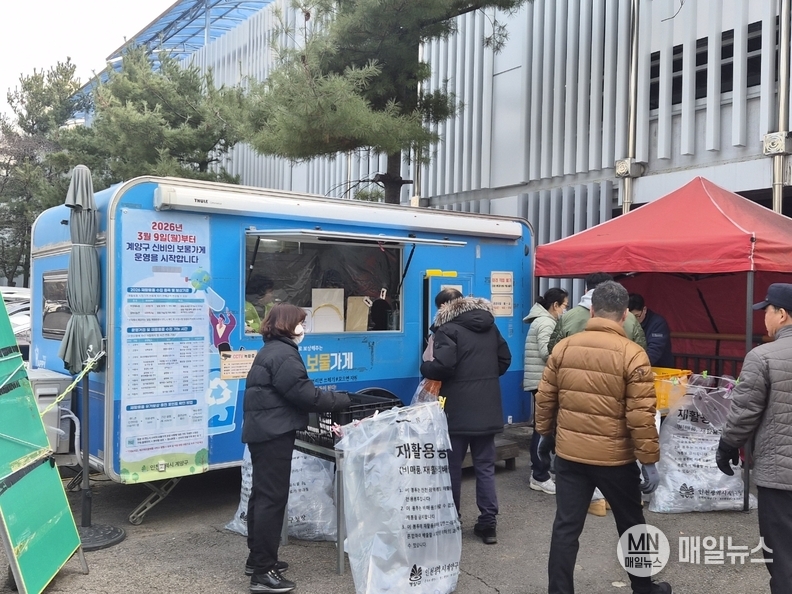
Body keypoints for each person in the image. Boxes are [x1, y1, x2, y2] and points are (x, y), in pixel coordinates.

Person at [535, 281, 671, 594]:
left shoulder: (564, 347)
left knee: (566, 527)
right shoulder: (633, 354)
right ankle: (643, 588)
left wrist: (545, 435)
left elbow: (545, 397)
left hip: (570, 456)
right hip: (616, 459)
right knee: (632, 523)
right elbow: (641, 415)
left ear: (592, 310)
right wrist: (649, 461)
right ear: (624, 316)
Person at [242, 303, 351, 593]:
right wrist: (343, 400)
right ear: (288, 325)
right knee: (271, 499)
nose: (303, 328)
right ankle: (262, 573)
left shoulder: (271, 350)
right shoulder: (284, 354)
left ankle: (257, 559)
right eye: (301, 322)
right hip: (273, 433)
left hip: (264, 430)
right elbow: (305, 395)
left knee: (262, 496)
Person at [717, 283, 792, 594]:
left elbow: (745, 411)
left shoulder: (762, 357)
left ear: (782, 314)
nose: (764, 318)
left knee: (783, 556)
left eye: (767, 311)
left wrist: (727, 445)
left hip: (780, 477)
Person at [420, 288, 511, 545]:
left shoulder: (447, 330)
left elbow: (443, 366)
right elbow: (505, 359)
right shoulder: (491, 328)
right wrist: (485, 377)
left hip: (456, 410)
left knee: (452, 468)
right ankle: (488, 524)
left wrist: (425, 367)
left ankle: (452, 520)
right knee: (485, 467)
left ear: (446, 308)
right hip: (487, 407)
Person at [523, 287, 569, 495]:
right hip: (543, 382)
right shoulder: (546, 322)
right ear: (555, 305)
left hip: (541, 381)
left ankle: (541, 469)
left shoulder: (543, 320)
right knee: (544, 428)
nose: (565, 310)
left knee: (544, 427)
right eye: (564, 306)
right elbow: (546, 352)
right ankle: (539, 475)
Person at [548, 272, 646, 354]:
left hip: (572, 370)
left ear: (586, 291)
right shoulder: (630, 318)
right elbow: (641, 352)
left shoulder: (568, 317)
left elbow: (553, 350)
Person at [628, 293, 673, 367]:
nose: (634, 320)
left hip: (658, 368)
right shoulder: (624, 321)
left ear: (644, 310)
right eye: (630, 317)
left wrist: (636, 366)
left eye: (637, 316)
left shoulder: (658, 323)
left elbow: (654, 351)